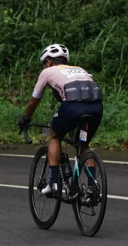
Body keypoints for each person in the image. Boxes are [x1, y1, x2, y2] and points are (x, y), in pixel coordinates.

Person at [18, 43, 102, 196]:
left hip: (73, 106)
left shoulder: (47, 71)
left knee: (55, 135)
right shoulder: (80, 69)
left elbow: (33, 101)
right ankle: (92, 187)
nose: (44, 67)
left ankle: (53, 183)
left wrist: (25, 118)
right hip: (96, 107)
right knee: (83, 145)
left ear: (48, 62)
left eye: (44, 64)